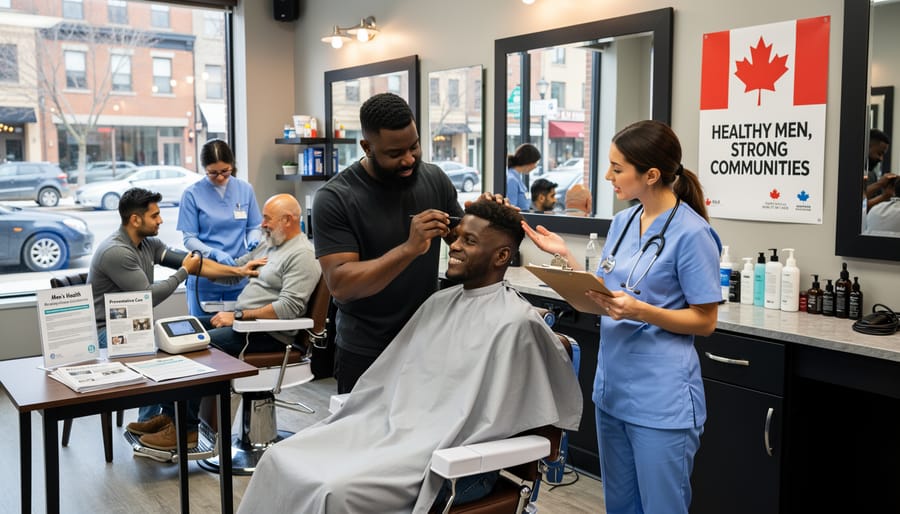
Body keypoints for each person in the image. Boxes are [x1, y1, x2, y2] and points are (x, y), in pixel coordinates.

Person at [237, 200, 582, 513]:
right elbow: (395, 380)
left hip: (450, 462)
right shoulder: (440, 303)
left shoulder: (517, 323)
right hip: (395, 431)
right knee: (280, 457)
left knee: (331, 489)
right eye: (458, 237)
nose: (455, 247)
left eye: (469, 242)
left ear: (502, 256)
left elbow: (508, 415)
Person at [523, 120, 721, 514]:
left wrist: (641, 310)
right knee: (620, 506)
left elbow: (705, 321)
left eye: (617, 168)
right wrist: (564, 257)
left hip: (661, 400)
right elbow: (609, 293)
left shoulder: (692, 234)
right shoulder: (623, 222)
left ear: (650, 175)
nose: (607, 175)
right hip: (613, 391)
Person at [127, 194, 321, 451]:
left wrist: (239, 316)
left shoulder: (302, 255)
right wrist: (194, 267)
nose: (261, 224)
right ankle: (169, 417)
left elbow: (289, 307)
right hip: (244, 326)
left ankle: (186, 431)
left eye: (267, 219)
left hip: (268, 335)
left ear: (288, 220)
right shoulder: (270, 246)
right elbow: (234, 273)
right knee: (174, 332)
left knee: (192, 348)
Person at [312, 92, 464, 394]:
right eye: (395, 154)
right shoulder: (336, 198)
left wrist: (488, 220)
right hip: (367, 350)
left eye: (415, 146)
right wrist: (409, 250)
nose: (409, 159)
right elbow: (341, 283)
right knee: (364, 439)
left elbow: (461, 241)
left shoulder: (434, 179)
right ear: (367, 147)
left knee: (424, 437)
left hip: (426, 344)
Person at [88, 187, 264, 441]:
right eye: (155, 216)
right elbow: (147, 296)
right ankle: (162, 423)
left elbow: (196, 263)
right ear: (135, 220)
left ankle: (165, 420)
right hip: (105, 331)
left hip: (131, 325)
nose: (161, 220)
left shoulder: (148, 244)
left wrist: (239, 270)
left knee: (181, 335)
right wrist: (183, 273)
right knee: (162, 347)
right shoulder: (117, 251)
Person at [178, 139, 262, 317]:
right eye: (213, 173)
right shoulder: (191, 194)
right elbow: (189, 239)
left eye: (225, 171)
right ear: (204, 169)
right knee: (203, 334)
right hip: (206, 278)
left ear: (232, 165)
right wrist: (214, 253)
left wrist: (254, 238)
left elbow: (254, 225)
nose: (221, 177)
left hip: (239, 276)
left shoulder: (245, 189)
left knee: (237, 333)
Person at [865, 129, 897, 211]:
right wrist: (879, 184)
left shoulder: (872, 174)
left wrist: (885, 195)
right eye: (879, 153)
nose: (881, 159)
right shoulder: (850, 171)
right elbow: (856, 202)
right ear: (867, 147)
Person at [506, 143, 541, 211]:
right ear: (529, 161)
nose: (535, 166)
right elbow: (511, 209)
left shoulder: (517, 178)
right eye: (535, 163)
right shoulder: (512, 180)